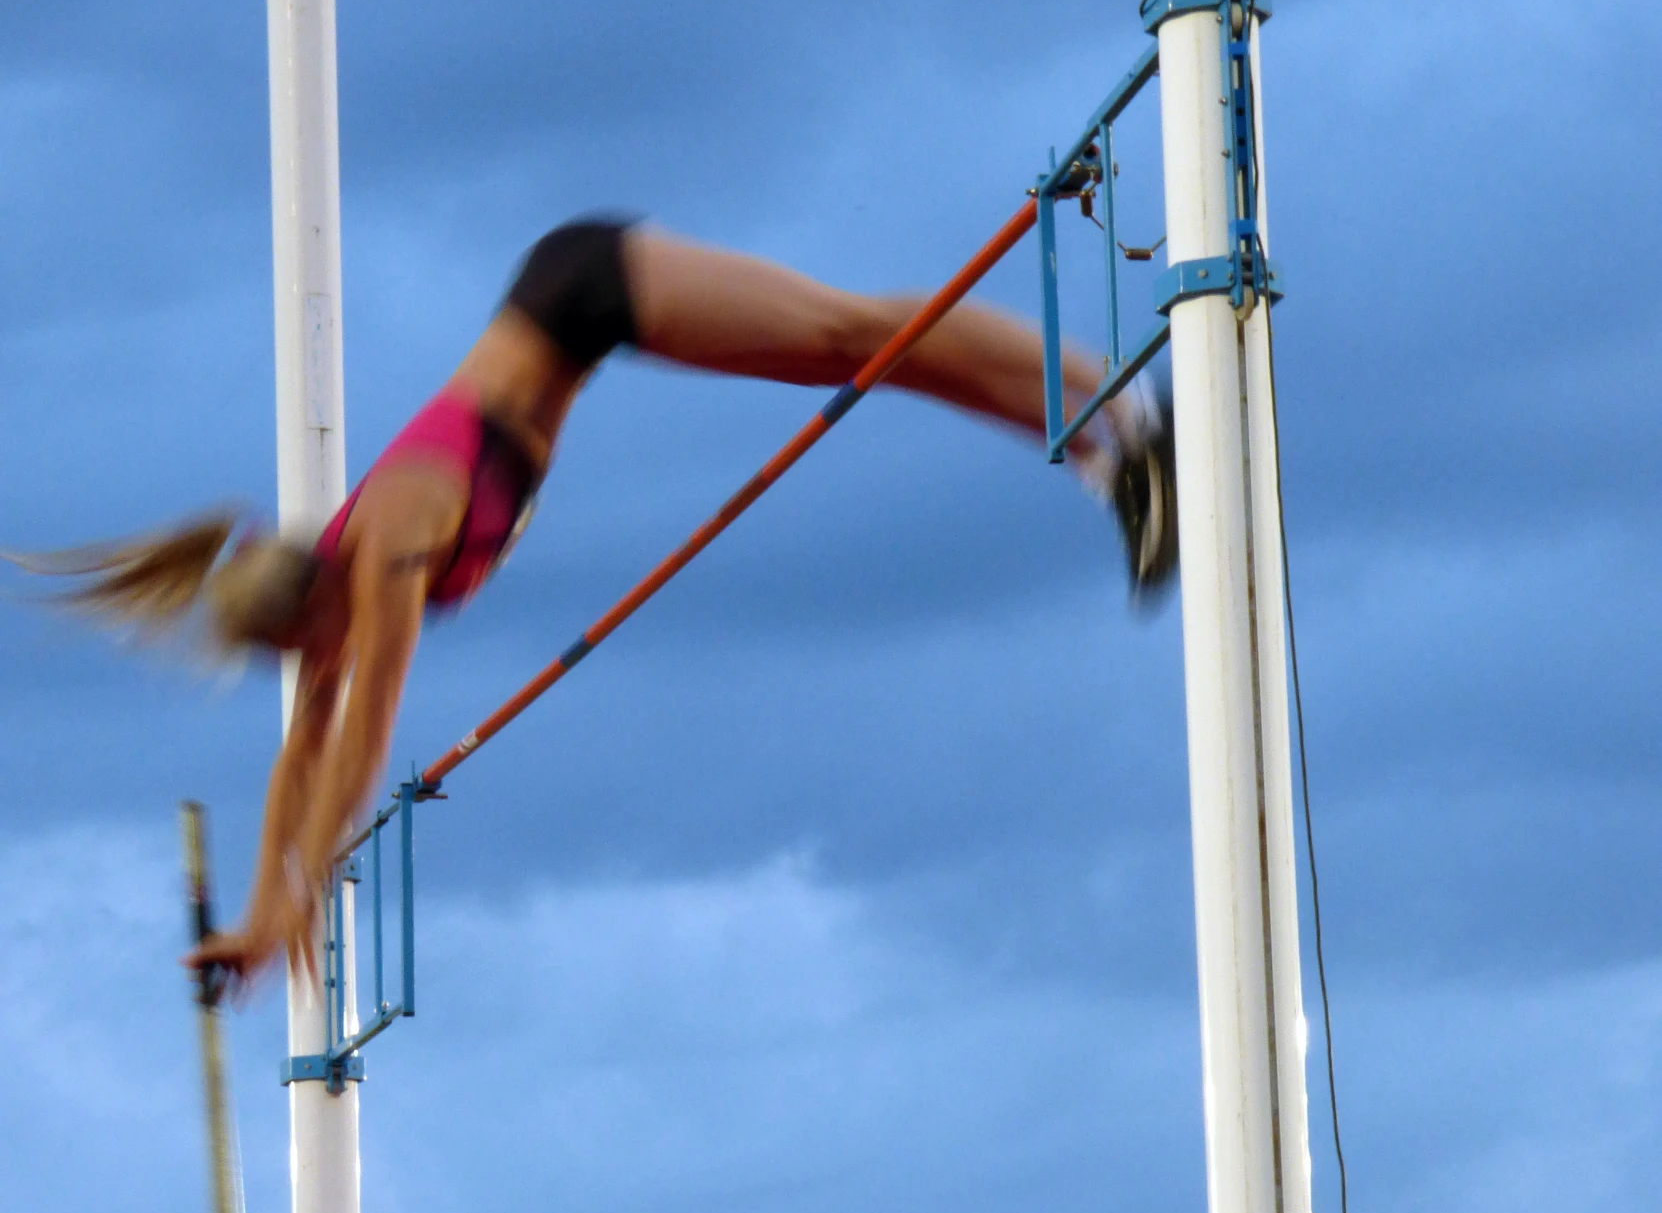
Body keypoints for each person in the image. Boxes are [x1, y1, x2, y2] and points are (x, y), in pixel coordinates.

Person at [14, 217, 1176, 985]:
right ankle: (1102, 448)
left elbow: (360, 733)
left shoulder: (395, 537)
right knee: (861, 354)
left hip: (586, 282)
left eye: (288, 656)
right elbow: (300, 757)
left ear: (307, 608)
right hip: (580, 320)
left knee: (851, 333)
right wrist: (266, 912)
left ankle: (1113, 394)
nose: (300, 678)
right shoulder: (337, 602)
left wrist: (299, 892)